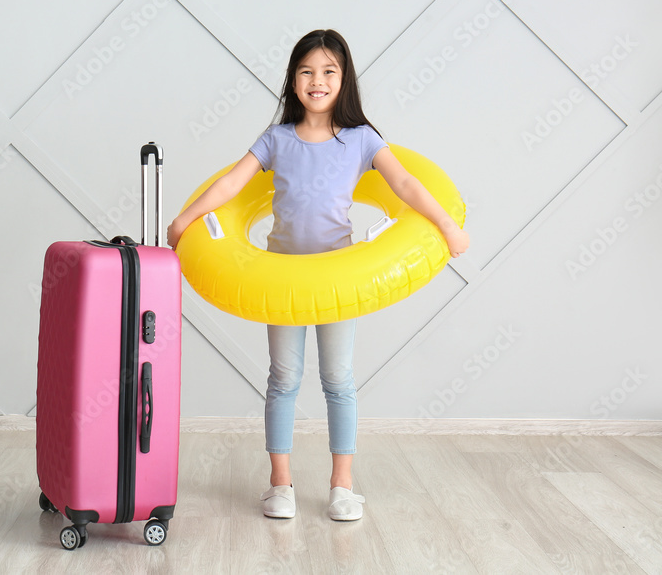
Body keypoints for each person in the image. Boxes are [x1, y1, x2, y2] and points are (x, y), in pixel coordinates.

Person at [167, 29, 469, 521]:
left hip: (337, 279)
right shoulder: (277, 140)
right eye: (307, 71)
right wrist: (184, 220)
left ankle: (342, 485)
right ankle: (280, 483)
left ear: (344, 79)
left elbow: (406, 183)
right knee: (284, 377)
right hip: (281, 278)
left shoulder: (361, 140)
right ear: (292, 79)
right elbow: (232, 183)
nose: (317, 80)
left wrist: (448, 227)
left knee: (338, 378)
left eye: (329, 71)